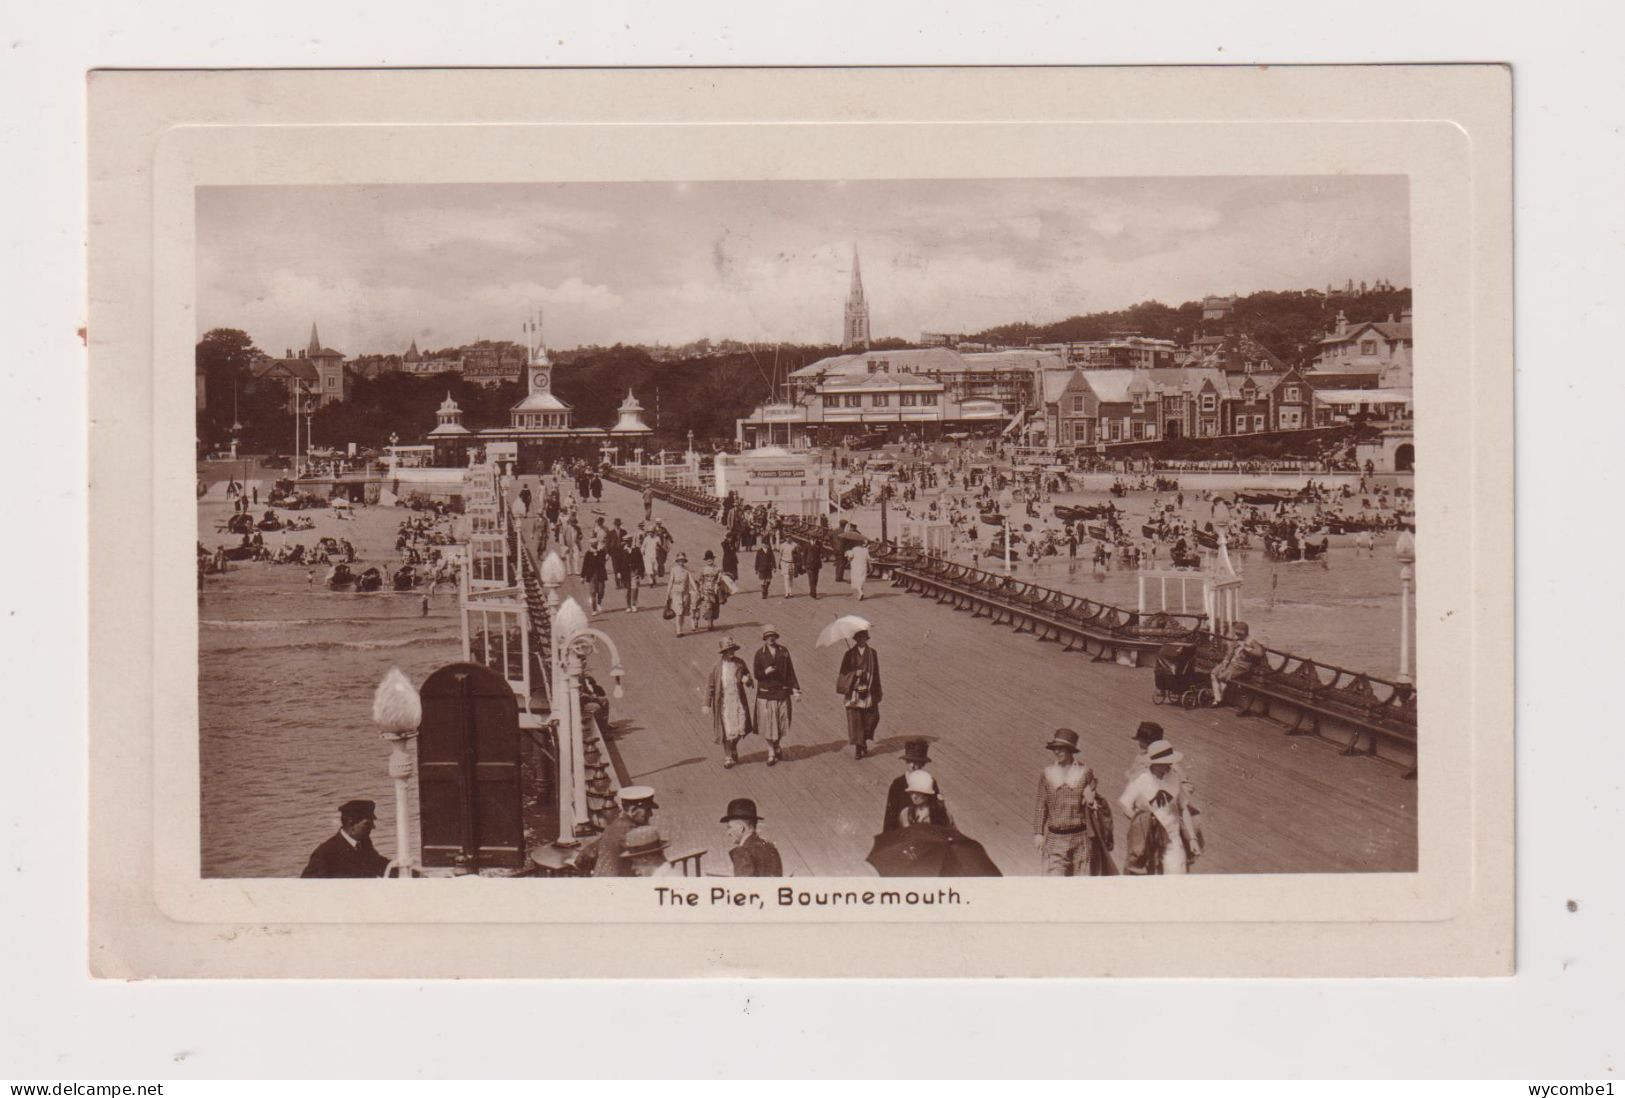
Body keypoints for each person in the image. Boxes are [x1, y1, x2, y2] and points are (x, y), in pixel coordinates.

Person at [1119, 740, 1200, 875]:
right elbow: (1125, 804)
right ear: (1154, 763)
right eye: (1164, 762)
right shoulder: (1141, 779)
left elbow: (1184, 807)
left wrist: (1192, 838)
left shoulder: (1174, 777)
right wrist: (1141, 822)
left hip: (1172, 837)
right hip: (1148, 840)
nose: (1168, 765)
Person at [1031, 728, 1100, 877]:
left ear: (1070, 751)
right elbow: (1040, 805)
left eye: (1061, 749)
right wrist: (1038, 833)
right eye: (1055, 748)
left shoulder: (1084, 772)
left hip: (1081, 839)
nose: (1057, 752)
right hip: (1055, 839)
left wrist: (1091, 800)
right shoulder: (1047, 773)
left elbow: (1094, 806)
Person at [751, 625, 801, 766]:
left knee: (780, 722)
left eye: (773, 636)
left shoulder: (783, 651)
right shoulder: (759, 653)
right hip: (766, 694)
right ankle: (771, 751)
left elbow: (790, 671)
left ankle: (777, 744)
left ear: (776, 637)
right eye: (767, 636)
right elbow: (756, 674)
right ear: (764, 638)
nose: (770, 638)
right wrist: (765, 672)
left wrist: (796, 689)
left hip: (782, 692)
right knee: (768, 724)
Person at [300, 799, 390, 878]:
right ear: (351, 824)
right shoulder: (325, 853)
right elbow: (307, 886)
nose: (373, 827)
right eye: (367, 824)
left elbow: (379, 864)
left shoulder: (363, 843)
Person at [703, 635, 755, 769]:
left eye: (733, 649)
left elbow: (749, 679)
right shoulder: (717, 667)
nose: (732, 652)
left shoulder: (740, 663)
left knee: (739, 729)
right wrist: (706, 703)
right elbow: (710, 686)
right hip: (724, 703)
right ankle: (728, 756)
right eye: (729, 650)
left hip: (737, 701)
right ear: (723, 652)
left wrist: (747, 680)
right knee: (726, 730)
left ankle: (733, 747)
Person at [590, 786, 658, 877]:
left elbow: (589, 851)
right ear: (633, 810)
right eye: (647, 809)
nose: (651, 814)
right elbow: (651, 861)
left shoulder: (615, 825)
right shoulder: (631, 831)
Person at [837, 628, 882, 760]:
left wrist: (877, 690)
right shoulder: (849, 654)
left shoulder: (872, 653)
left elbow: (877, 672)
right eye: (859, 638)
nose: (861, 640)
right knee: (856, 719)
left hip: (869, 689)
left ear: (866, 639)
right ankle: (859, 746)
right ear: (855, 640)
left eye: (864, 637)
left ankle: (864, 740)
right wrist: (853, 673)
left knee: (872, 717)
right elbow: (843, 672)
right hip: (854, 691)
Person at [882, 738, 944, 832]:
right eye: (910, 761)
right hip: (902, 833)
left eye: (917, 762)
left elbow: (937, 813)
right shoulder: (898, 784)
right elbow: (890, 817)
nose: (913, 765)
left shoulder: (930, 782)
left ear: (923, 764)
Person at [721, 798, 783, 877]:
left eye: (729, 827)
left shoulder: (742, 852)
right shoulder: (771, 848)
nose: (728, 833)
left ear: (741, 828)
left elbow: (744, 887)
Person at [1210, 621, 1264, 710]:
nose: (1238, 636)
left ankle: (1218, 700)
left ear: (1245, 633)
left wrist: (1246, 648)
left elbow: (1260, 653)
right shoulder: (1236, 639)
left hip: (1241, 665)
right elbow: (1230, 652)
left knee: (1222, 677)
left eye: (1240, 634)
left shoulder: (1251, 640)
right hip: (1232, 662)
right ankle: (1218, 698)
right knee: (1213, 673)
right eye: (1237, 633)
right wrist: (1225, 662)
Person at [693, 550, 727, 632]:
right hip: (706, 590)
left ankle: (711, 622)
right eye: (707, 559)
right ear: (705, 560)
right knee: (708, 606)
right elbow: (700, 580)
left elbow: (722, 578)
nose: (709, 560)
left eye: (711, 558)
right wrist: (700, 589)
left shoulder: (717, 569)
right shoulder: (703, 569)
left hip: (715, 589)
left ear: (713, 559)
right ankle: (709, 624)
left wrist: (719, 580)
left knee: (715, 606)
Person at [666, 552, 696, 637]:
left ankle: (681, 629)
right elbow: (671, 582)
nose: (681, 562)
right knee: (679, 612)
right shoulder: (673, 569)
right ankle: (678, 630)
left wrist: (696, 589)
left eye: (682, 560)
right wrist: (668, 593)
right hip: (676, 593)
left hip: (685, 594)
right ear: (677, 561)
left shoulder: (687, 570)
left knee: (683, 612)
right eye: (679, 560)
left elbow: (691, 580)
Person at [778, 534, 798, 598]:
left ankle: (790, 592)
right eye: (786, 537)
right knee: (786, 577)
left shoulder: (795, 545)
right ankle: (786, 593)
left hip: (792, 563)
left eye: (789, 537)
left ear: (791, 537)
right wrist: (779, 563)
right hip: (785, 562)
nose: (788, 539)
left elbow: (798, 554)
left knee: (791, 578)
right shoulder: (782, 545)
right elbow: (780, 555)